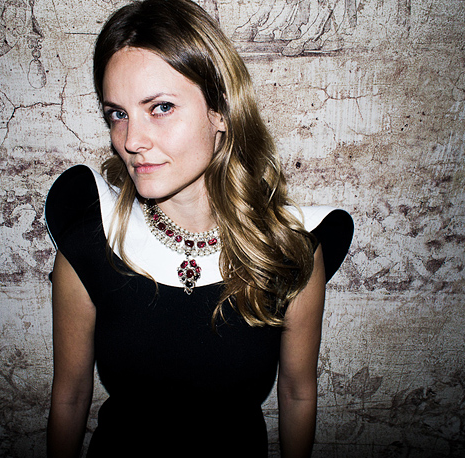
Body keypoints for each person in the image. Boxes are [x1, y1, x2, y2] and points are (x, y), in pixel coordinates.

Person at [45, 0, 353, 457]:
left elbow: (297, 394)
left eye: (161, 107)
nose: (131, 141)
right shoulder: (93, 239)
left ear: (220, 111)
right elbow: (70, 397)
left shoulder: (290, 247)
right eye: (118, 113)